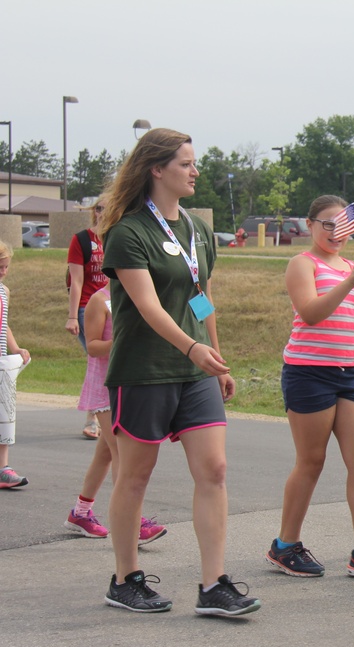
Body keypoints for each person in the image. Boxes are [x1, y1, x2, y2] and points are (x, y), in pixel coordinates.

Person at [99, 128, 260, 616]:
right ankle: (125, 579)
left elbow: (199, 296)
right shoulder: (128, 231)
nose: (195, 171)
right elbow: (146, 306)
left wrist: (215, 355)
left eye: (194, 163)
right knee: (134, 476)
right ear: (157, 169)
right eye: (186, 164)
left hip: (195, 371)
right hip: (143, 370)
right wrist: (192, 347)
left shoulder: (196, 229)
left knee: (214, 469)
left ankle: (213, 585)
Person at [265, 194, 354, 579]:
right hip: (307, 372)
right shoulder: (302, 264)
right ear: (310, 225)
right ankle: (284, 545)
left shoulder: (351, 268)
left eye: (342, 224)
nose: (335, 232)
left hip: (350, 373)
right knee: (311, 460)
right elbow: (310, 313)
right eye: (327, 223)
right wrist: (349, 282)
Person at [63, 284, 167, 544]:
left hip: (132, 384)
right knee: (123, 451)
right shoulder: (101, 300)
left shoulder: (143, 295)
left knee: (107, 452)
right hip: (106, 386)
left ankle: (80, 513)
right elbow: (93, 347)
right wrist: (123, 339)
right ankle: (134, 521)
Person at [67, 201, 109, 440]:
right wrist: (73, 316)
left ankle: (106, 414)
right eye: (98, 208)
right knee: (98, 359)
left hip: (114, 308)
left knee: (106, 362)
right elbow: (77, 281)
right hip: (88, 308)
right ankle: (93, 418)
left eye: (107, 208)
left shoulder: (118, 236)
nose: (101, 213)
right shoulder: (82, 240)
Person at [0, 240, 31, 490]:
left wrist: (16, 348)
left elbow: (5, 323)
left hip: (2, 362)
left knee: (5, 413)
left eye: (6, 267)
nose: (3, 272)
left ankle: (3, 467)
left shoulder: (4, 291)